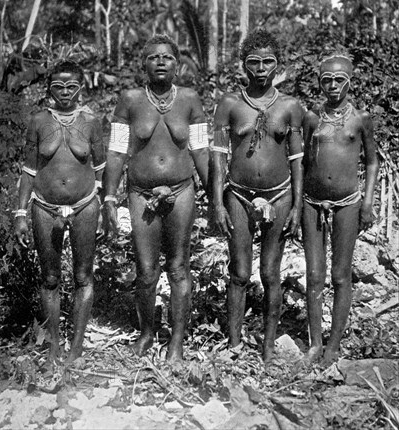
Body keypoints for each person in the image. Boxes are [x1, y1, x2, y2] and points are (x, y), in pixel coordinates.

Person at [104, 34, 209, 365]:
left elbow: (202, 149)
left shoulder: (191, 100)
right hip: (140, 194)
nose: (161, 61)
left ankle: (176, 341)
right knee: (147, 270)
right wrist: (109, 196)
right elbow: (117, 149)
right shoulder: (130, 100)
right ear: (143, 64)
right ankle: (147, 333)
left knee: (178, 266)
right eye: (153, 57)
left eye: (167, 57)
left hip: (181, 191)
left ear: (177, 65)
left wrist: (216, 197)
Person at [212, 29, 304, 362]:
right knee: (239, 272)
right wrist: (217, 203)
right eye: (254, 62)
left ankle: (267, 345)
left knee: (269, 273)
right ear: (243, 65)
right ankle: (235, 343)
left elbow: (297, 160)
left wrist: (295, 204)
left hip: (279, 196)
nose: (261, 69)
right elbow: (218, 156)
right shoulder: (230, 104)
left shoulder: (290, 106)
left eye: (268, 62)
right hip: (238, 195)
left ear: (278, 65)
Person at [15, 59, 105, 365]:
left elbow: (102, 168)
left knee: (83, 275)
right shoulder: (39, 121)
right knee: (50, 278)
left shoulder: (92, 121)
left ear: (81, 88)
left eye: (71, 86)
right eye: (57, 86)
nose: (64, 93)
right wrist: (19, 213)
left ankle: (76, 347)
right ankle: (53, 344)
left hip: (85, 205)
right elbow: (29, 169)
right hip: (44, 206)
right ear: (48, 89)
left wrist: (108, 206)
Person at [302, 53, 379, 365]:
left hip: (348, 202)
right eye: (326, 80)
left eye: (339, 80)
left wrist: (369, 203)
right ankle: (315, 343)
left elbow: (371, 161)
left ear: (350, 81)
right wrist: (297, 204)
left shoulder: (361, 120)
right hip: (311, 202)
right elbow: (303, 162)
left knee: (340, 274)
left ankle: (334, 344)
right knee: (315, 273)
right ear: (319, 82)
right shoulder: (311, 119)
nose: (332, 86)